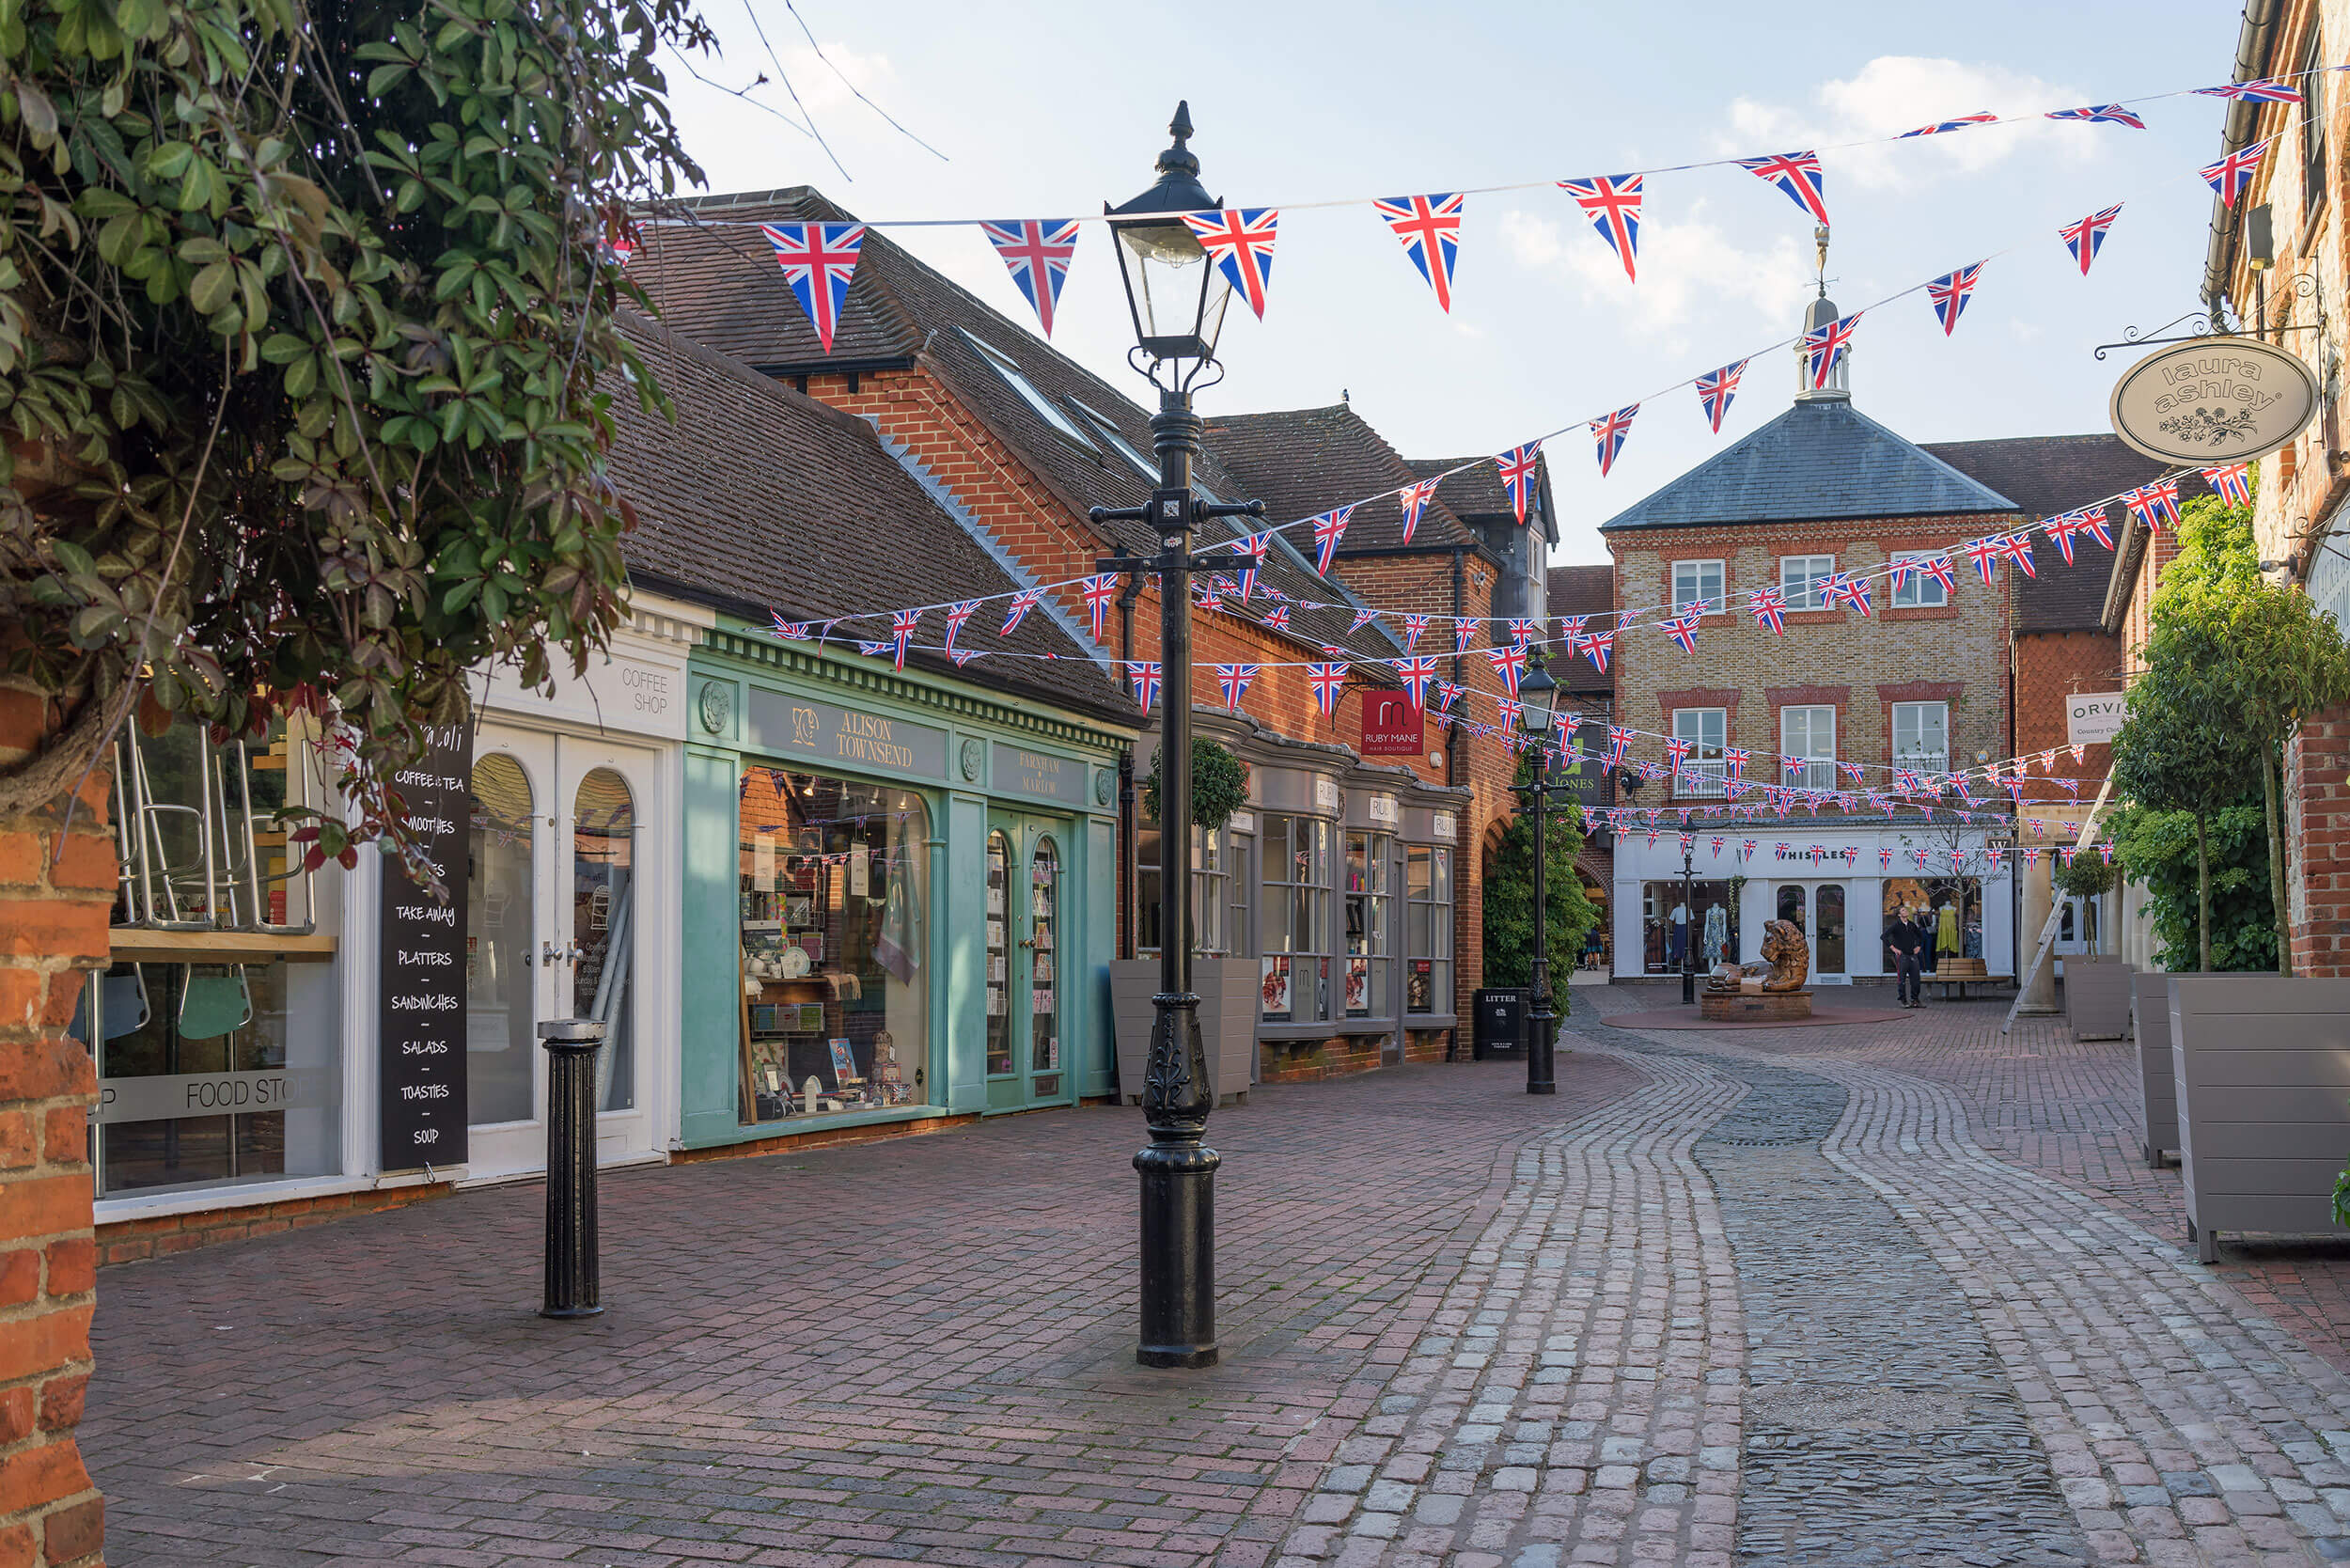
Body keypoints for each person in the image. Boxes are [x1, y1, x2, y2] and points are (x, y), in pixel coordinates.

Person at [1885, 903, 1925, 1009]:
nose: (1906, 911)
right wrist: (1893, 948)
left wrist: (1919, 946)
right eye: (1903, 910)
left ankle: (1915, 1000)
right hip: (1902, 956)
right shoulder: (1896, 926)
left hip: (1913, 956)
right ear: (1899, 914)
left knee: (1916, 979)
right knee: (1901, 980)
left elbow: (1921, 936)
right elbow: (1884, 937)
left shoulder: (1912, 925)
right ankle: (1903, 1000)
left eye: (1905, 910)